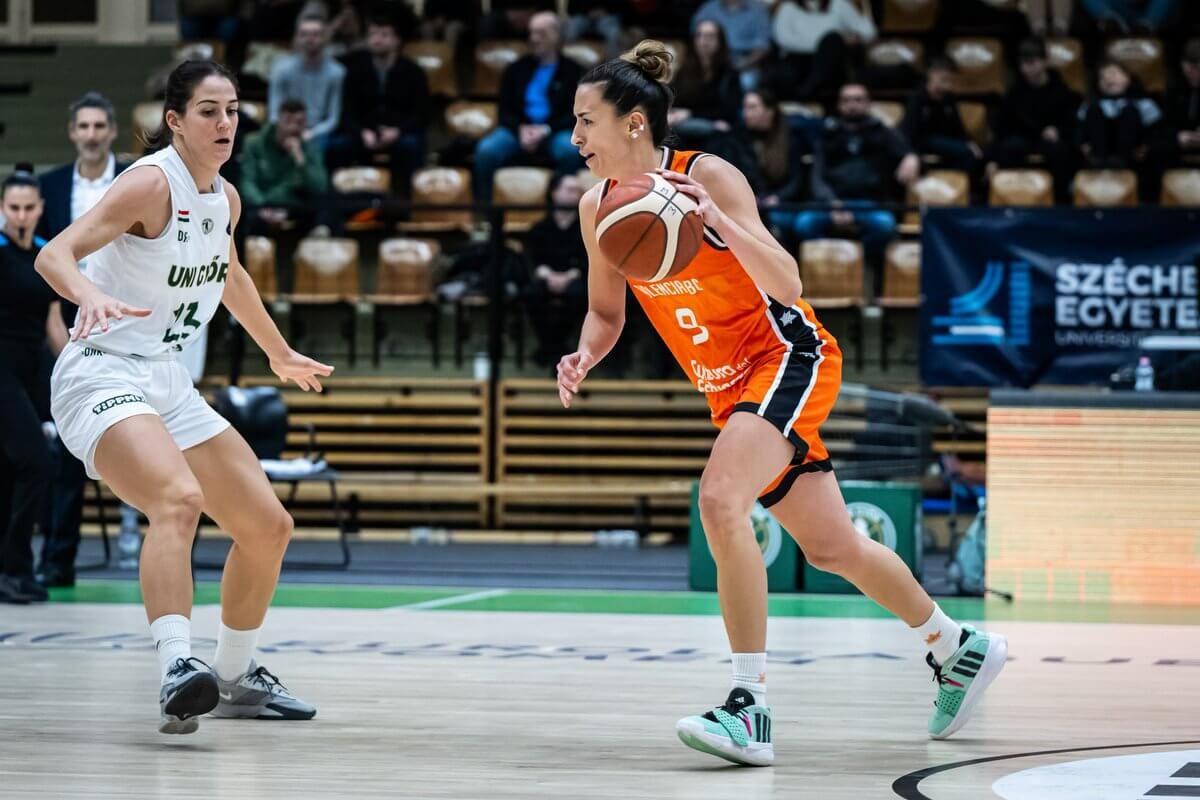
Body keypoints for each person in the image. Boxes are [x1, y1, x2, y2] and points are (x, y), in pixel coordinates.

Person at [562, 41, 1007, 766]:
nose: (575, 138)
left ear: (634, 122)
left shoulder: (706, 175)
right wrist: (585, 353)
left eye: (586, 121)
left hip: (785, 356)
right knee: (833, 547)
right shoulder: (597, 211)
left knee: (718, 500)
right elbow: (607, 315)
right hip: (728, 388)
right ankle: (956, 647)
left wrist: (722, 224)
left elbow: (788, 282)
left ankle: (749, 707)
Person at [35, 60, 331, 734]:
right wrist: (91, 294)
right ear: (175, 120)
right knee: (178, 498)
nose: (224, 122)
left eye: (231, 110)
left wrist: (277, 351)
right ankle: (176, 666)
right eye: (207, 110)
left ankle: (232, 674)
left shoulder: (224, 198)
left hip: (163, 377)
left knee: (267, 527)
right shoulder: (148, 183)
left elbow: (228, 275)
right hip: (100, 372)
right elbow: (53, 255)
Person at [36, 92, 132, 588]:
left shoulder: (136, 179)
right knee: (67, 454)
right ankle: (58, 559)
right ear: (72, 131)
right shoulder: (49, 186)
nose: (91, 135)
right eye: (83, 126)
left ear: (111, 130)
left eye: (100, 126)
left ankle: (156, 552)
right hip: (67, 320)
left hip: (133, 321)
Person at [0, 166, 68, 604]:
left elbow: (54, 326)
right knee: (36, 462)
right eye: (13, 208)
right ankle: (17, 566)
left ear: (40, 208)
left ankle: (11, 570)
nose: (21, 215)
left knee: (13, 470)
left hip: (31, 370)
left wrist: (80, 369)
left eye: (28, 208)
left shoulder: (47, 255)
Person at [792, 83, 919, 270]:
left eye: (858, 100)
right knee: (803, 223)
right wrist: (833, 204)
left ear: (868, 104)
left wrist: (911, 157)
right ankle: (831, 263)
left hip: (870, 202)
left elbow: (906, 151)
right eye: (847, 100)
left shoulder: (882, 131)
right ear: (839, 105)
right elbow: (817, 177)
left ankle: (858, 265)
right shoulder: (828, 134)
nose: (852, 105)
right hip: (832, 203)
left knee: (885, 225)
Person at [473, 11, 585, 201]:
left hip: (555, 130)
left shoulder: (573, 71)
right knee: (486, 151)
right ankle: (484, 212)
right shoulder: (515, 69)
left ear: (557, 36)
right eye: (532, 33)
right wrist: (521, 129)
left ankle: (565, 212)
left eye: (541, 33)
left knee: (570, 151)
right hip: (518, 130)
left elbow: (576, 113)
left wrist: (546, 130)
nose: (534, 39)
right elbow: (504, 110)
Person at [328, 15, 428, 184]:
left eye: (384, 35)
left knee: (411, 145)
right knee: (336, 146)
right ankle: (338, 201)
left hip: (398, 132)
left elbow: (421, 114)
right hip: (363, 131)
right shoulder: (353, 68)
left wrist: (397, 131)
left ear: (397, 40)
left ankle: (404, 201)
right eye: (373, 34)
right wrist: (361, 132)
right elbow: (346, 110)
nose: (377, 40)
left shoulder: (414, 72)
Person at [990, 38, 1080, 202]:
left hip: (1051, 141)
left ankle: (1060, 199)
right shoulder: (1015, 92)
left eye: (1031, 63)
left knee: (1061, 150)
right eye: (1023, 64)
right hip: (1023, 137)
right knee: (1009, 147)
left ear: (1045, 62)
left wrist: (1058, 130)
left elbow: (1071, 122)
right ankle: (1013, 197)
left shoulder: (1061, 90)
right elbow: (1002, 125)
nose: (1026, 68)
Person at [240, 98, 337, 236]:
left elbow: (320, 186)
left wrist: (300, 160)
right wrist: (263, 206)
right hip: (261, 204)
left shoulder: (308, 147)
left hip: (292, 206)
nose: (293, 128)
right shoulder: (254, 143)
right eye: (288, 121)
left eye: (299, 123)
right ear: (278, 119)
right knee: (246, 214)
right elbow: (247, 181)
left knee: (325, 204)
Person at [523, 173, 588, 369]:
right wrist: (547, 274)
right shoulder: (540, 228)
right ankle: (554, 345)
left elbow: (589, 260)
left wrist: (569, 276)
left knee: (579, 294)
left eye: (577, 191)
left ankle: (554, 347)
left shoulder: (585, 227)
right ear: (554, 193)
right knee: (531, 293)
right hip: (546, 275)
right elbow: (532, 258)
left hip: (576, 277)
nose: (574, 195)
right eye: (569, 190)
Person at [267, 11, 346, 152]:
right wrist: (286, 132)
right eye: (304, 34)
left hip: (317, 131)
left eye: (316, 34)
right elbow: (274, 112)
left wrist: (310, 134)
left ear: (325, 37)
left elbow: (333, 119)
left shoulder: (337, 72)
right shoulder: (281, 69)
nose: (310, 39)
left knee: (321, 145)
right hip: (284, 127)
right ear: (296, 37)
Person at [771, 0, 876, 102]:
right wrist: (822, 45)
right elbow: (784, 40)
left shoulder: (839, 4)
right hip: (799, 59)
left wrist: (856, 37)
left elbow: (869, 32)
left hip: (834, 60)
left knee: (833, 39)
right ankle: (808, 90)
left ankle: (807, 92)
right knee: (830, 43)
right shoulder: (788, 8)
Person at [669, 19, 742, 157]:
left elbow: (729, 112)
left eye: (710, 36)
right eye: (700, 35)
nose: (704, 41)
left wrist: (691, 114)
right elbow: (676, 102)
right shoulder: (684, 70)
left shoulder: (729, 74)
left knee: (719, 138)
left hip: (713, 132)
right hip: (684, 129)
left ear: (720, 41)